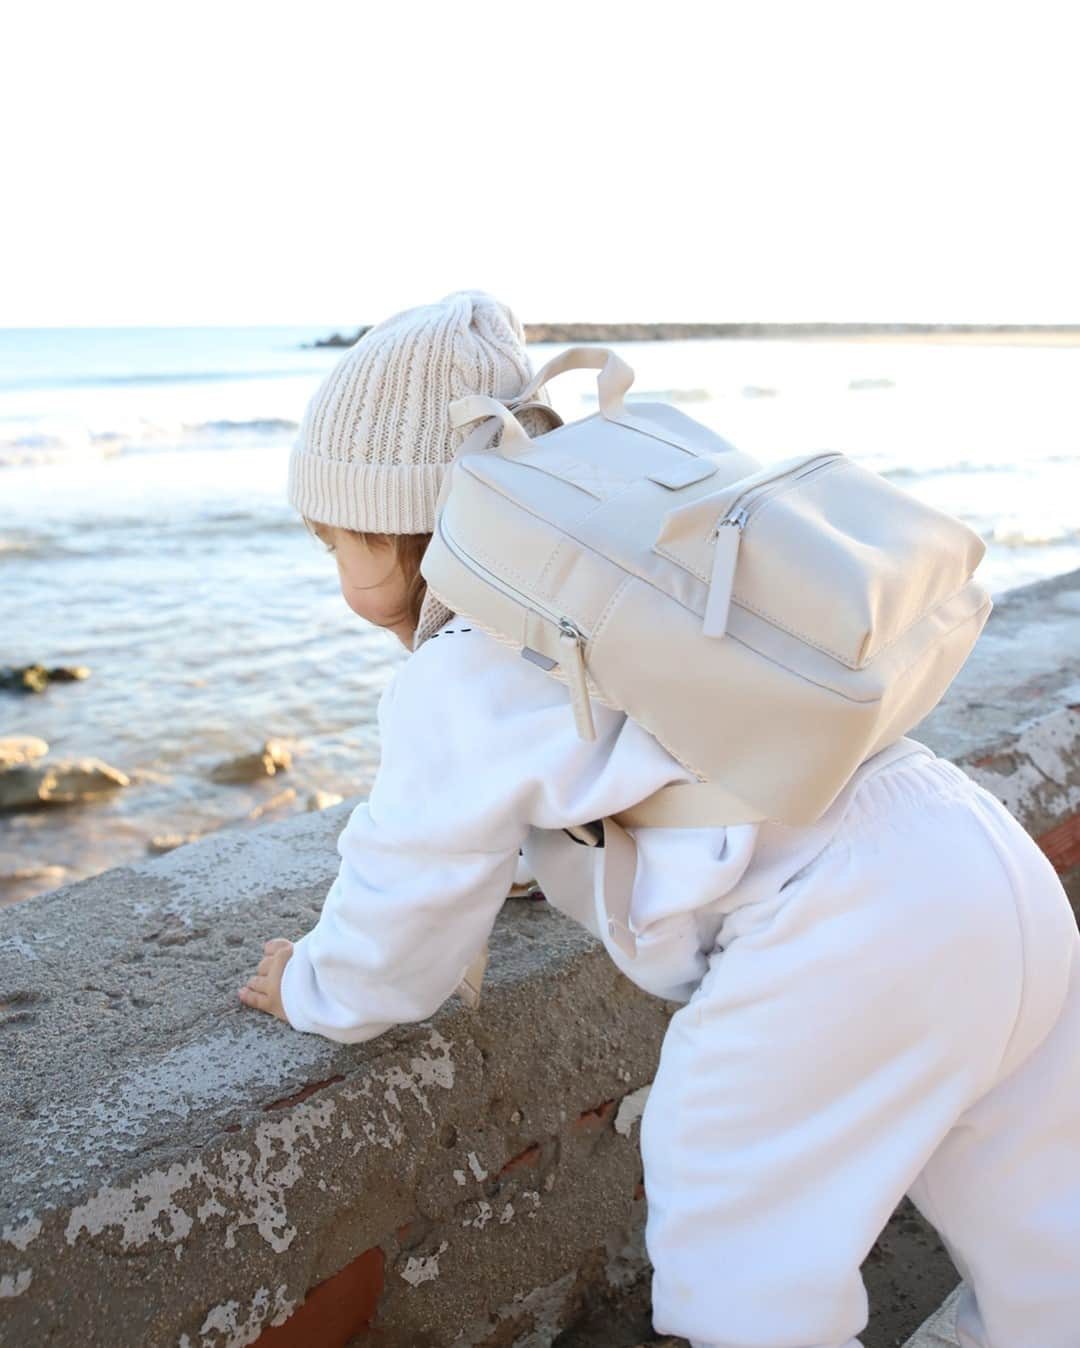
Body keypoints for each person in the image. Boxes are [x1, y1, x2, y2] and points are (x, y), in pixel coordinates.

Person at [238, 289, 1080, 1348]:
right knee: (1045, 1216)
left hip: (841, 935)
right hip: (975, 856)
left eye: (333, 543)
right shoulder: (618, 586)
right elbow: (624, 770)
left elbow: (402, 906)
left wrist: (312, 985)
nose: (336, 575)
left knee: (739, 1253)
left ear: (397, 531)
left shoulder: (456, 676)